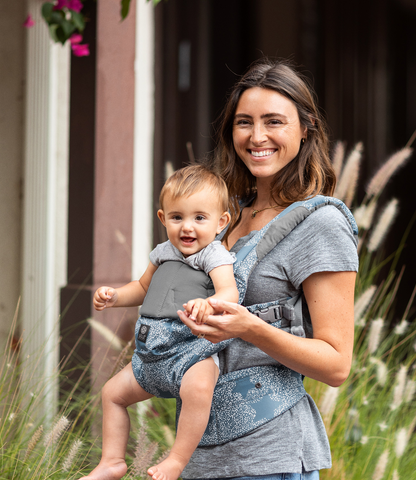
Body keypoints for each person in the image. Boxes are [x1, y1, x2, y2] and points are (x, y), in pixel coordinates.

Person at [177, 58, 358, 480]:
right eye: (244, 122)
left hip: (268, 458)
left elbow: (336, 365)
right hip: (199, 455)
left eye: (273, 121)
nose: (257, 137)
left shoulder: (320, 224)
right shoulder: (222, 218)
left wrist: (249, 327)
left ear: (305, 128)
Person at [80, 165, 239, 480]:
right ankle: (112, 461)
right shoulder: (162, 253)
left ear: (221, 222)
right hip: (149, 354)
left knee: (199, 389)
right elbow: (141, 288)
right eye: (177, 217)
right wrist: (114, 297)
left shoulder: (214, 255)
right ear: (163, 218)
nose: (187, 227)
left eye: (199, 218)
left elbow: (229, 292)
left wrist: (208, 304)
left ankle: (176, 460)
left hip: (189, 351)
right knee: (112, 393)